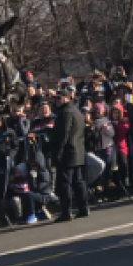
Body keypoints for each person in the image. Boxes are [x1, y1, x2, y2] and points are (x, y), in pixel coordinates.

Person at [50, 87, 89, 222]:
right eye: (56, 99)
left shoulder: (66, 113)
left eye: (59, 98)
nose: (57, 101)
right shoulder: (76, 111)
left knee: (65, 183)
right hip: (78, 150)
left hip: (68, 152)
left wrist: (58, 152)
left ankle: (66, 211)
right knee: (78, 181)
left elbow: (64, 134)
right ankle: (83, 207)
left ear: (67, 98)